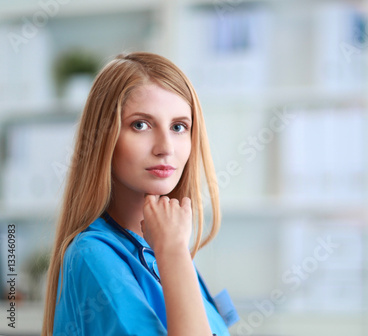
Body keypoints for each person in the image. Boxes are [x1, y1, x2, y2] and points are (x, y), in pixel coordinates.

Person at [42, 52, 237, 335]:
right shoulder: (93, 255)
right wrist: (172, 252)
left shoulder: (165, 245)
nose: (165, 147)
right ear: (103, 138)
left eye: (178, 127)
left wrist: (172, 252)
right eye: (140, 125)